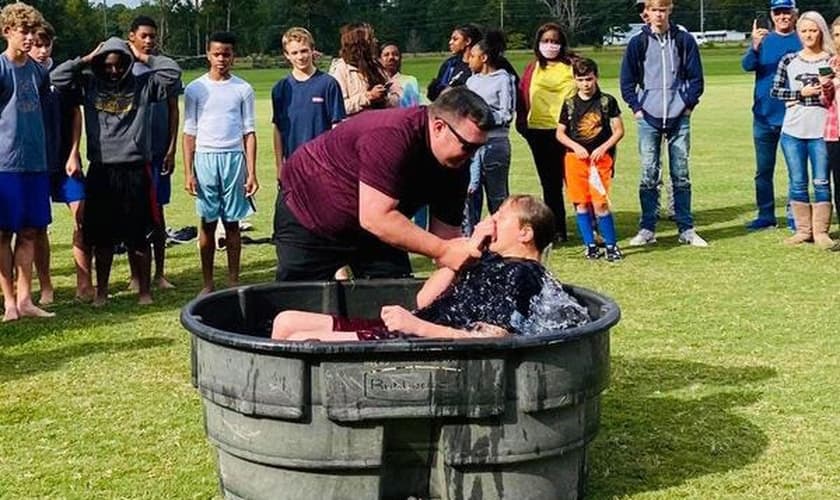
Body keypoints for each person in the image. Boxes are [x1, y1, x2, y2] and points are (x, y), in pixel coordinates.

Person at [271, 195, 590, 341]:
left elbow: (493, 338)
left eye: (500, 218)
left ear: (525, 233)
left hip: (419, 347)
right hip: (406, 330)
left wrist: (418, 328)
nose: (489, 223)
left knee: (300, 338)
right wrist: (466, 252)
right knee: (286, 321)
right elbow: (424, 299)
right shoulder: (489, 260)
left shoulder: (523, 274)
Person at [273, 86, 492, 282]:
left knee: (394, 303)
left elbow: (447, 238)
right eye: (467, 145)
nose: (472, 155)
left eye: (478, 147)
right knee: (296, 304)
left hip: (376, 234)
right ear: (438, 127)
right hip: (309, 215)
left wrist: (460, 261)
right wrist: (443, 250)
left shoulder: (456, 166)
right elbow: (376, 217)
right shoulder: (392, 134)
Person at [52, 36, 181, 306]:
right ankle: (101, 293)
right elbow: (58, 76)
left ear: (128, 63)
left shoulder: (144, 85)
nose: (113, 71)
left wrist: (142, 56)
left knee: (139, 234)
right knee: (102, 237)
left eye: (119, 65)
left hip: (135, 167)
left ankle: (145, 292)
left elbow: (172, 73)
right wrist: (86, 58)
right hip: (102, 169)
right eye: (107, 65)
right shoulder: (89, 84)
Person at [620, 0, 707, 247]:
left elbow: (696, 78)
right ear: (647, 12)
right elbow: (627, 80)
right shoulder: (638, 42)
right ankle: (647, 228)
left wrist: (688, 105)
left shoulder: (683, 39)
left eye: (663, 9)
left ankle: (686, 229)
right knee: (649, 173)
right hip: (648, 116)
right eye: (654, 10)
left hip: (679, 116)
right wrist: (637, 108)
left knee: (681, 174)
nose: (658, 15)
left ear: (670, 10)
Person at [183, 31, 259, 295]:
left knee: (232, 223)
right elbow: (189, 133)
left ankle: (233, 279)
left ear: (233, 56)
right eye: (216, 54)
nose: (221, 59)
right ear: (208, 55)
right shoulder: (195, 89)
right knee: (207, 221)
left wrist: (251, 172)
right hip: (205, 158)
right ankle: (207, 282)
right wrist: (189, 172)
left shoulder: (243, 89)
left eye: (226, 54)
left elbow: (249, 132)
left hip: (233, 158)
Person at [29, 22, 91, 305]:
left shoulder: (64, 76)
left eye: (47, 45)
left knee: (82, 217)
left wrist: (74, 152)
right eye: (37, 46)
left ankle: (84, 283)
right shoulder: (21, 75)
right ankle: (46, 287)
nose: (42, 51)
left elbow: (77, 115)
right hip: (35, 164)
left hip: (66, 161)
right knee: (38, 227)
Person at [0, 2, 53, 321]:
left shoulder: (39, 70)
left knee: (31, 231)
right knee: (4, 233)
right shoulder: (1, 69)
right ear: (7, 32)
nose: (31, 38)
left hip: (36, 163)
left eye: (34, 31)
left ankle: (25, 299)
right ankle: (8, 302)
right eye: (24, 31)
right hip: (5, 164)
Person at [771, 11, 835, 247]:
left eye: (813, 30)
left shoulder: (829, 59)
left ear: (821, 32)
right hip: (793, 130)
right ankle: (803, 230)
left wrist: (826, 89)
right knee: (797, 181)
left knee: (821, 181)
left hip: (820, 130)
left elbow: (832, 95)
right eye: (804, 31)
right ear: (798, 33)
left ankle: (821, 232)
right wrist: (799, 93)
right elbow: (775, 91)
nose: (809, 35)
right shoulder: (789, 60)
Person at [127, 15, 181, 290]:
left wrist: (171, 147)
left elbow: (173, 109)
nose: (149, 41)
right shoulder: (122, 67)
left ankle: (160, 273)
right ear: (131, 36)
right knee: (133, 215)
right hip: (132, 155)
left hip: (159, 151)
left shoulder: (163, 68)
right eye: (144, 36)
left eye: (152, 36)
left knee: (158, 214)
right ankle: (135, 276)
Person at [556, 58, 625, 261]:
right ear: (574, 80)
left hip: (600, 161)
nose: (585, 84)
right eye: (581, 79)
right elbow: (560, 133)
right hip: (575, 159)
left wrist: (604, 148)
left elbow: (619, 130)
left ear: (596, 78)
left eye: (589, 79)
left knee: (600, 203)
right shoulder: (569, 104)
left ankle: (611, 245)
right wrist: (575, 146)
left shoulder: (607, 102)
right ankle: (590, 245)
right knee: (581, 204)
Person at [742, 0, 801, 231]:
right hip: (764, 116)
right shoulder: (764, 40)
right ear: (772, 15)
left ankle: (795, 214)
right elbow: (747, 65)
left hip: (794, 115)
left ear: (794, 14)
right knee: (763, 171)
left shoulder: (801, 39)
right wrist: (754, 46)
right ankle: (766, 215)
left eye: (787, 12)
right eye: (778, 12)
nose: (782, 16)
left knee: (795, 170)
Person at [516, 22, 577, 243]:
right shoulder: (533, 68)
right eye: (546, 41)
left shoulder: (573, 65)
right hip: (539, 132)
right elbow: (522, 96)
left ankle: (592, 227)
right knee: (550, 185)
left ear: (562, 44)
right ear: (538, 43)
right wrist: (523, 125)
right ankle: (557, 229)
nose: (550, 45)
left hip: (568, 132)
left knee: (576, 181)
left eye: (555, 41)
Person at [272, 26, 345, 183]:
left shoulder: (328, 84)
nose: (300, 57)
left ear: (313, 50)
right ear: (287, 55)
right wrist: (279, 165)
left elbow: (337, 127)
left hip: (322, 165)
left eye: (304, 51)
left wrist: (334, 162)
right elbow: (278, 129)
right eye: (294, 52)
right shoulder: (281, 88)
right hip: (293, 166)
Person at [463, 30, 516, 235]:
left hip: (495, 145)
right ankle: (470, 239)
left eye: (473, 56)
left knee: (497, 196)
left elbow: (506, 114)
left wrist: (483, 117)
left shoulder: (503, 79)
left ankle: (503, 238)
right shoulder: (471, 82)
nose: (468, 61)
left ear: (484, 58)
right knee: (470, 192)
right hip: (472, 147)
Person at [329, 23, 394, 116]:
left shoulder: (375, 66)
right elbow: (339, 107)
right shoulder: (340, 70)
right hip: (354, 127)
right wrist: (368, 96)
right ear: (359, 44)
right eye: (370, 39)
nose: (375, 41)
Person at [427, 23, 482, 101]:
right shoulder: (449, 64)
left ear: (468, 41)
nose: (450, 42)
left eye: (455, 39)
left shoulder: (480, 66)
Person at [824, 17, 840, 247]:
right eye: (836, 35)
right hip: (835, 131)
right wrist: (825, 87)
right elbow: (826, 101)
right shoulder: (831, 62)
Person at [380, 41, 426, 109]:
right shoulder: (374, 82)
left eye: (395, 54)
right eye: (386, 55)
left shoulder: (410, 81)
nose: (391, 58)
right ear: (379, 59)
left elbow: (415, 106)